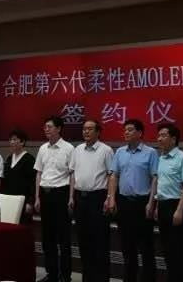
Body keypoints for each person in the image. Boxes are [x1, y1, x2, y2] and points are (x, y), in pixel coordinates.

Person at [107, 119, 158, 282]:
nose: (126, 132)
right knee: (127, 246)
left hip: (142, 203)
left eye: (130, 130)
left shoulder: (150, 152)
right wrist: (111, 198)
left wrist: (151, 202)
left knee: (146, 246)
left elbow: (155, 178)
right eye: (125, 130)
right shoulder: (120, 152)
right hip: (124, 203)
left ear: (140, 133)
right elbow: (114, 176)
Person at [69, 120, 113, 282]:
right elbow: (73, 175)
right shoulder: (77, 150)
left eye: (90, 129)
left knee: (100, 241)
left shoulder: (106, 150)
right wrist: (71, 196)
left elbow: (111, 175)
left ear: (98, 132)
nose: (86, 132)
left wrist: (109, 198)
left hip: (98, 198)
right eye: (84, 129)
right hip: (80, 199)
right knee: (83, 241)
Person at [34, 116, 74, 282]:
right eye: (45, 127)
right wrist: (37, 197)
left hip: (61, 194)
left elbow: (72, 175)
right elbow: (39, 173)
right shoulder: (43, 148)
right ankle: (51, 274)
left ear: (59, 128)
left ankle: (65, 275)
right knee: (47, 237)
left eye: (49, 127)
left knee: (63, 238)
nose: (46, 129)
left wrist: (71, 197)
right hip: (45, 194)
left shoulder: (69, 148)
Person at [152, 124, 183, 282]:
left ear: (174, 139)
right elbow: (161, 183)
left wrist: (180, 210)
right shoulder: (161, 157)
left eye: (163, 135)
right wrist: (157, 205)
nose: (159, 139)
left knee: (180, 250)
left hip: (176, 206)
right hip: (163, 205)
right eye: (158, 135)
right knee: (167, 249)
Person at [0, 128, 36, 224]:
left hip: (22, 200)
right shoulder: (9, 158)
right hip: (8, 199)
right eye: (10, 139)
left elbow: (32, 182)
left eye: (15, 139)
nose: (12, 142)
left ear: (22, 142)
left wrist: (30, 202)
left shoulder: (29, 159)